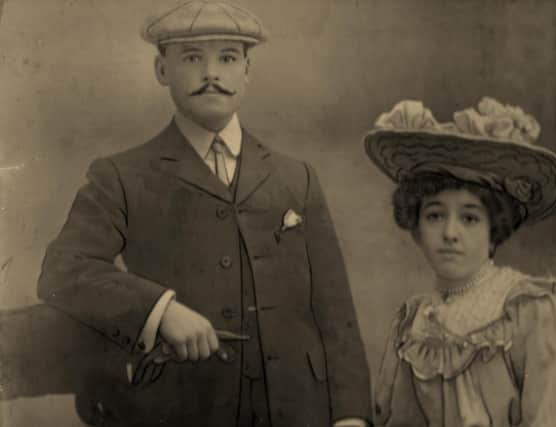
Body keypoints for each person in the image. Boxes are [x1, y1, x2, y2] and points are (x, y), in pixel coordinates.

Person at [37, 2, 371, 426]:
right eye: (192, 58)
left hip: (298, 410)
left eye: (228, 58)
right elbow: (63, 271)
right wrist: (159, 310)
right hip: (183, 408)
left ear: (247, 71)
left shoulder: (296, 177)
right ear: (162, 70)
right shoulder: (122, 175)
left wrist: (351, 416)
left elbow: (334, 310)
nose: (211, 74)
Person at [365, 98, 556, 426]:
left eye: (469, 218)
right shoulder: (410, 324)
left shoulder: (535, 313)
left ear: (494, 228)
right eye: (435, 215)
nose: (450, 233)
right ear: (416, 229)